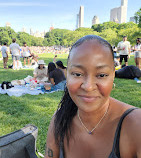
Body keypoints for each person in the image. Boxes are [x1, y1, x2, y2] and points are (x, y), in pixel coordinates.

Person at [45, 35, 141, 158]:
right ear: (67, 75)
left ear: (113, 76)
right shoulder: (59, 121)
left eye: (101, 75)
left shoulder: (136, 125)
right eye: (77, 74)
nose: (88, 87)